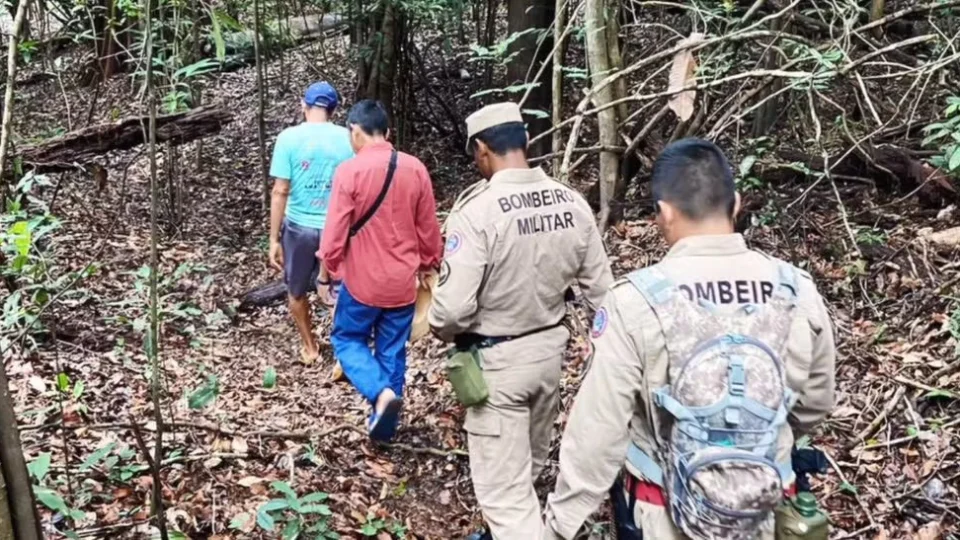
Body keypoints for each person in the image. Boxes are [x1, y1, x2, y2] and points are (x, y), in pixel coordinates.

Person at [541, 138, 837, 540]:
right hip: (770, 510)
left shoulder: (637, 300)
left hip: (664, 514)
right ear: (735, 204)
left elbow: (598, 430)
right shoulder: (795, 290)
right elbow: (814, 403)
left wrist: (561, 524)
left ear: (663, 213)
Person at [428, 102, 613, 540]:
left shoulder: (476, 211)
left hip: (497, 365)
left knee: (505, 494)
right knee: (527, 467)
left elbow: (451, 310)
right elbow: (603, 293)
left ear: (481, 149)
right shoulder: (572, 202)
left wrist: (440, 325)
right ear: (525, 141)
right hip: (549, 355)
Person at [320, 100, 443, 442]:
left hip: (361, 282)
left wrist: (327, 271)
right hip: (403, 283)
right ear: (387, 133)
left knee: (347, 339)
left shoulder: (349, 171)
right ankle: (383, 425)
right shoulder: (415, 168)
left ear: (354, 132)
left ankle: (380, 395)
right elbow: (427, 228)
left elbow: (334, 233)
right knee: (391, 349)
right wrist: (430, 262)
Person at [268, 81, 354, 366]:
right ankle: (343, 351)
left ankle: (310, 347)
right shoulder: (348, 138)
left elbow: (280, 190)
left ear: (303, 106)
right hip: (338, 227)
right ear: (332, 110)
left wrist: (273, 239)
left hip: (299, 228)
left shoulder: (288, 138)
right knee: (340, 289)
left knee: (296, 290)